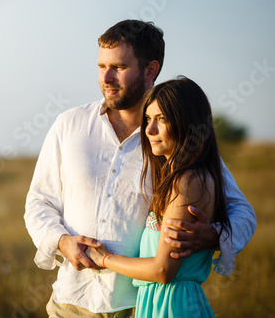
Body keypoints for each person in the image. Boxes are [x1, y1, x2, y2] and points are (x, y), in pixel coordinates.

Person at [24, 19, 256, 317]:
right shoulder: (69, 125)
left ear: (150, 70)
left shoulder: (175, 139)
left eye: (118, 68)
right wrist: (62, 241)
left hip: (141, 307)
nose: (105, 77)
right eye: (100, 66)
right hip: (69, 302)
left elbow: (243, 213)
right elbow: (38, 202)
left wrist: (212, 237)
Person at [86, 76, 231, 317]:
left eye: (162, 119)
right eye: (148, 119)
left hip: (172, 305)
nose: (149, 130)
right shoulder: (179, 175)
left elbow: (162, 270)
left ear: (188, 122)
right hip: (161, 302)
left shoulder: (187, 181)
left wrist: (104, 259)